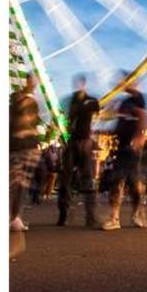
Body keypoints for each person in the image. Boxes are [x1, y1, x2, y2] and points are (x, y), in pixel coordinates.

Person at [101, 81, 147, 230]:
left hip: (132, 148)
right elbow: (110, 118)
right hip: (122, 147)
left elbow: (142, 115)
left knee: (134, 184)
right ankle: (115, 217)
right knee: (117, 180)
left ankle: (136, 214)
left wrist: (139, 136)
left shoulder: (138, 99)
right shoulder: (123, 103)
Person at [57, 75, 100, 227]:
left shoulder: (89, 101)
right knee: (67, 178)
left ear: (83, 84)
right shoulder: (77, 101)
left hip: (81, 141)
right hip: (76, 141)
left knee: (83, 178)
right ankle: (66, 213)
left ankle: (89, 216)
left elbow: (97, 116)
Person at [10, 74, 42, 232]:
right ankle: (13, 216)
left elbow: (33, 123)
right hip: (19, 144)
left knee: (21, 183)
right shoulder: (19, 98)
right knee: (16, 182)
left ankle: (15, 216)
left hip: (28, 144)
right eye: (33, 80)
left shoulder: (32, 100)